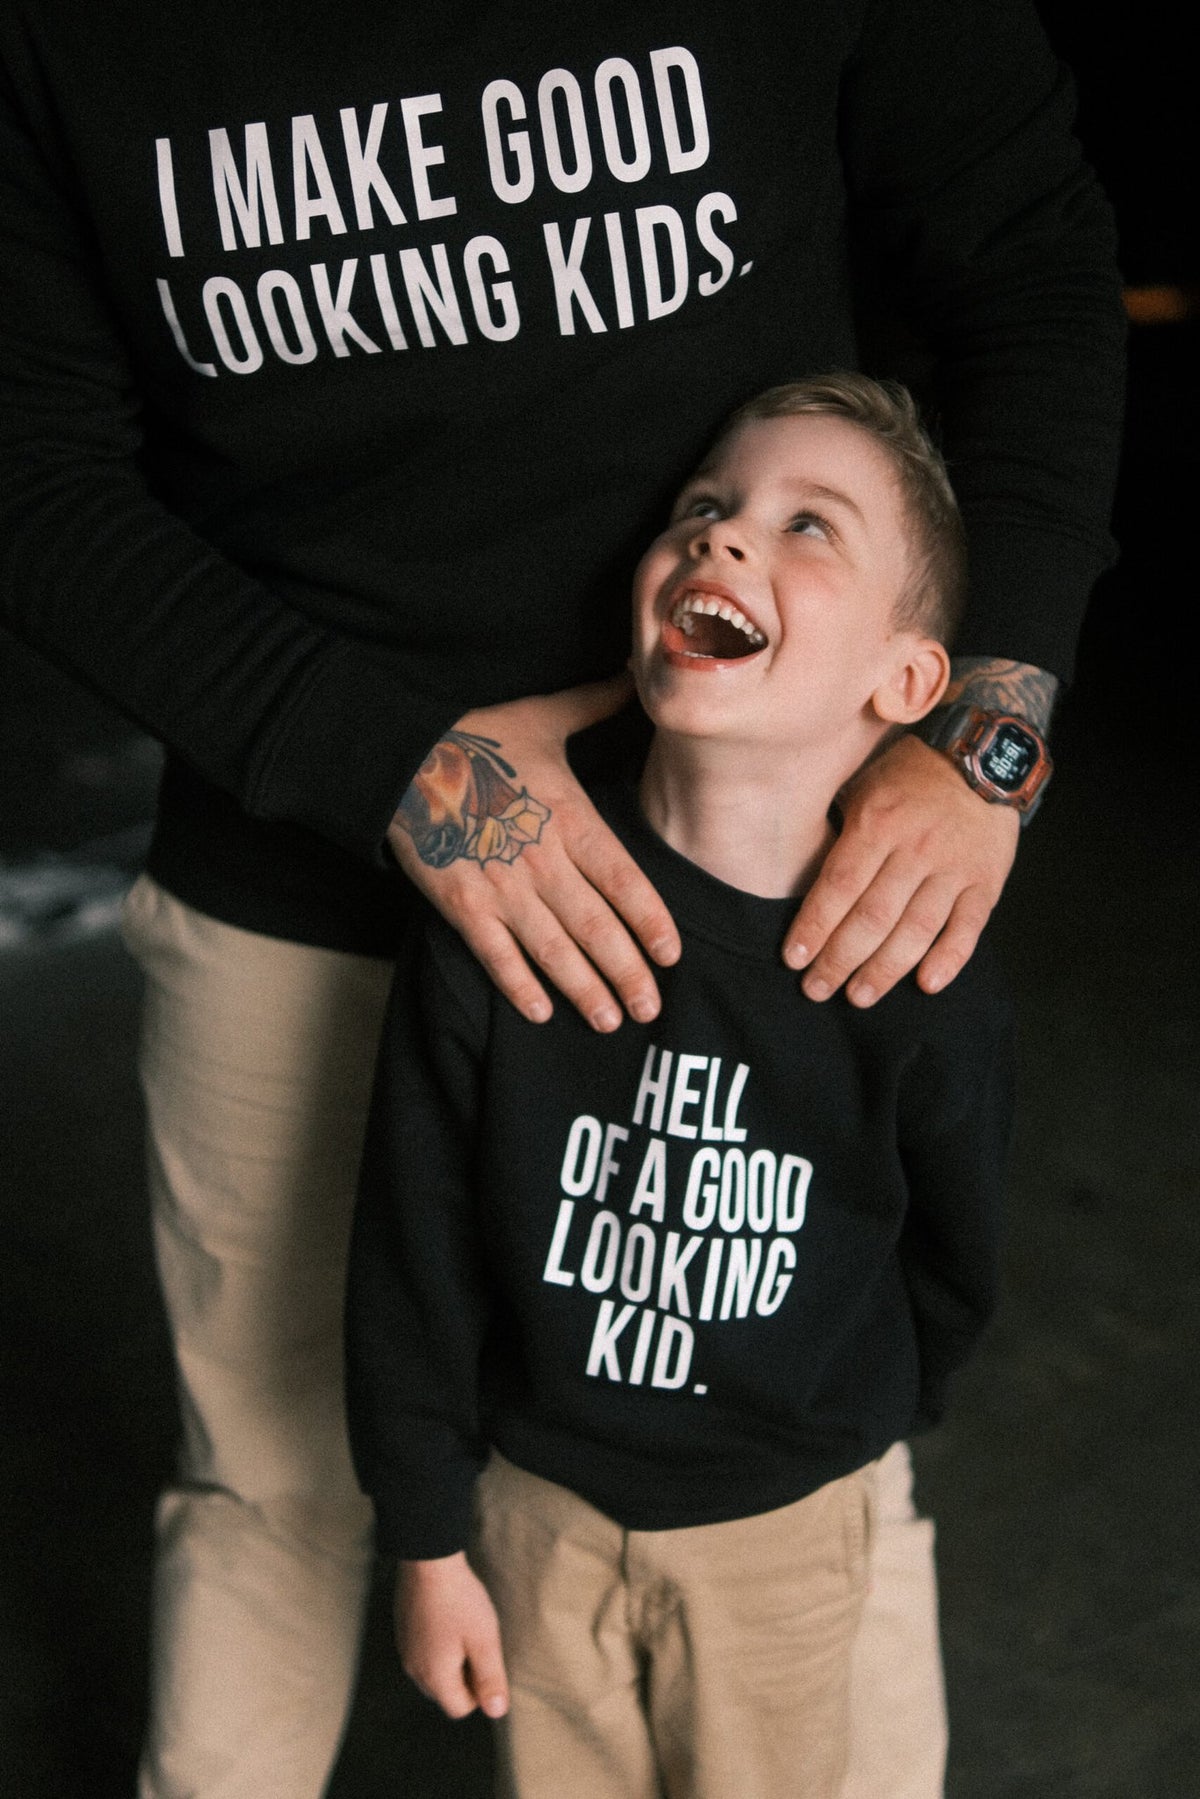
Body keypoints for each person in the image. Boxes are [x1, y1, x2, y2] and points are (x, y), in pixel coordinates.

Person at [0, 4, 1123, 1795]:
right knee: (274, 1478)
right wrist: (387, 767)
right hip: (300, 863)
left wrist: (989, 719)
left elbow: (1029, 249)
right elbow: (34, 470)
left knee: (819, 1472)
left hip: (755, 865)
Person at [345, 373, 1015, 1799]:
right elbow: (411, 1253)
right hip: (535, 1516)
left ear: (904, 682)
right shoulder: (506, 908)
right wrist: (424, 1534)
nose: (722, 541)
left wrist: (850, 1426)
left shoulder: (919, 969)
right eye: (703, 511)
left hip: (783, 1531)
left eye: (804, 526)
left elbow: (953, 1252)